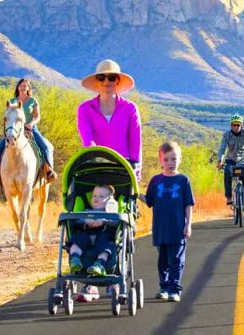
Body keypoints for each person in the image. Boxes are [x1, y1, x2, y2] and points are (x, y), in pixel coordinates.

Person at [76, 59, 142, 302]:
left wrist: (135, 175)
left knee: (120, 226)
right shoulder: (85, 109)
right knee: (89, 223)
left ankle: (116, 278)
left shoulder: (130, 109)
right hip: (95, 168)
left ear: (118, 81)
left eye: (112, 78)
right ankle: (90, 285)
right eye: (102, 78)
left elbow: (136, 145)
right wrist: (95, 155)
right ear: (97, 82)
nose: (107, 82)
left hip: (122, 173)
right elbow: (87, 139)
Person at [141, 141, 194, 302]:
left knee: (176, 260)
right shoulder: (156, 181)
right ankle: (163, 287)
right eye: (166, 159)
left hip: (177, 229)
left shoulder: (183, 180)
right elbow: (149, 200)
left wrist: (188, 224)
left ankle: (174, 289)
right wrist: (135, 192)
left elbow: (188, 204)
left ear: (180, 159)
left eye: (174, 159)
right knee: (162, 261)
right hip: (160, 229)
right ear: (160, 160)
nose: (170, 163)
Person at [0, 78, 57, 186]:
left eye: (25, 85)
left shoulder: (33, 101)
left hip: (30, 128)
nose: (23, 87)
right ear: (18, 87)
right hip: (15, 130)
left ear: (28, 88)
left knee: (46, 147)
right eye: (21, 85)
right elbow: (7, 117)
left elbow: (38, 116)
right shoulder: (11, 101)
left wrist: (32, 123)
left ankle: (49, 171)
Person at [68, 184, 118, 277]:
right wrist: (85, 220)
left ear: (110, 201)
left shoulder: (110, 213)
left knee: (105, 245)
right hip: (86, 235)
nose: (96, 198)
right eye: (94, 196)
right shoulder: (86, 211)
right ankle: (75, 259)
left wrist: (104, 221)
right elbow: (77, 221)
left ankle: (100, 264)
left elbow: (115, 222)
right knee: (78, 239)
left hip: (103, 236)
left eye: (101, 196)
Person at [216, 114, 244, 211]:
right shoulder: (226, 135)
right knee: (227, 172)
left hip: (243, 161)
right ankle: (229, 197)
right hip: (230, 160)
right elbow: (222, 149)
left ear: (242, 125)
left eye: (238, 125)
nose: (236, 127)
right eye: (234, 125)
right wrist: (220, 161)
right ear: (231, 125)